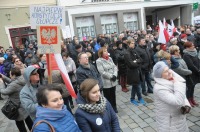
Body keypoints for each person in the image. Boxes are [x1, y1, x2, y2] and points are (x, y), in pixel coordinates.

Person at [153, 61, 190, 132]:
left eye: (168, 69)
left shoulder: (170, 79)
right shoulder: (159, 88)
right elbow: (177, 100)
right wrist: (177, 83)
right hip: (169, 122)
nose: (169, 72)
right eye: (166, 71)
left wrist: (186, 105)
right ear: (160, 76)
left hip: (178, 117)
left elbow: (181, 94)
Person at [0, 67, 33, 132]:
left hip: (17, 107)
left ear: (14, 75)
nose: (9, 75)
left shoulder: (14, 84)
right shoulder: (22, 79)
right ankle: (34, 129)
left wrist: (1, 84)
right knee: (28, 119)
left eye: (10, 74)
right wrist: (3, 77)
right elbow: (12, 82)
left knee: (19, 122)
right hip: (24, 104)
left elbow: (4, 92)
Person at [96, 47, 118, 112]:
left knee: (113, 95)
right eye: (105, 51)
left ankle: (114, 106)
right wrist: (111, 76)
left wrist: (115, 75)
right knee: (107, 96)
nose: (106, 52)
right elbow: (102, 72)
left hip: (113, 80)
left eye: (106, 51)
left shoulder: (110, 58)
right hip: (107, 81)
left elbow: (114, 67)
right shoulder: (99, 61)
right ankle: (109, 109)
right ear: (101, 53)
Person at [124, 39, 146, 106]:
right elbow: (131, 64)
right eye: (132, 43)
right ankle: (139, 98)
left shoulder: (134, 51)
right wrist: (136, 62)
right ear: (128, 44)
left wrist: (136, 61)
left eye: (134, 43)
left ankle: (132, 98)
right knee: (137, 86)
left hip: (138, 71)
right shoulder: (126, 53)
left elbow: (141, 59)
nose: (134, 44)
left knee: (135, 86)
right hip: (132, 72)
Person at [183, 41, 200, 106]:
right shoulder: (186, 55)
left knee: (193, 86)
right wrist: (198, 71)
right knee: (190, 87)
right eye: (192, 45)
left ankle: (192, 99)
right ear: (187, 47)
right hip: (191, 73)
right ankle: (188, 100)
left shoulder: (194, 52)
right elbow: (191, 65)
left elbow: (198, 60)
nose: (194, 46)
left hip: (196, 72)